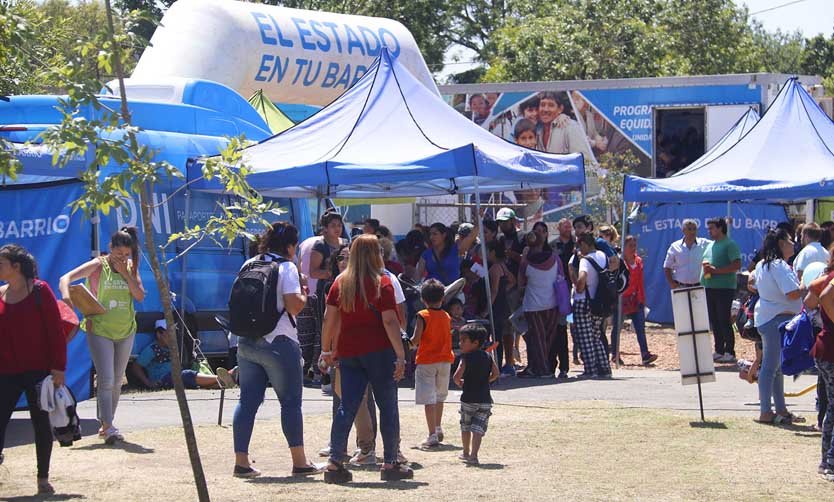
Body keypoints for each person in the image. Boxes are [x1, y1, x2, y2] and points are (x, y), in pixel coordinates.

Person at [230, 221, 321, 478]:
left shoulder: (249, 264)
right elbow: (294, 306)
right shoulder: (286, 267)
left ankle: (241, 462)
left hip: (246, 341)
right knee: (290, 402)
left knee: (247, 401)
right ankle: (300, 461)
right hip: (279, 341)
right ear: (291, 246)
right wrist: (304, 292)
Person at [320, 235, 413, 483]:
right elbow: (390, 321)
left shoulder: (340, 283)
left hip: (349, 352)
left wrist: (326, 349)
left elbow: (329, 318)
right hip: (379, 351)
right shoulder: (382, 282)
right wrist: (401, 355)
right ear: (376, 255)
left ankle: (335, 461)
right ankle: (390, 462)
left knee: (347, 406)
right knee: (387, 406)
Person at [59, 226, 145, 444]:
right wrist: (68, 299)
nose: (122, 258)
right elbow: (65, 278)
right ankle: (107, 426)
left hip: (125, 330)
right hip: (100, 329)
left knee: (117, 381)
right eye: (119, 254)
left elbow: (140, 296)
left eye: (127, 254)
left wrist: (127, 273)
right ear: (110, 248)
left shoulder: (131, 268)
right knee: (105, 379)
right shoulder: (99, 265)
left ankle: (107, 423)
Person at [0, 244, 66, 494]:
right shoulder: (0, 293)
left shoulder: (40, 290)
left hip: (38, 371)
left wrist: (58, 368)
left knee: (40, 423)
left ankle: (42, 478)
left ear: (16, 267)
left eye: (1, 263)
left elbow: (56, 332)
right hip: (6, 371)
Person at [748, 229, 805, 425]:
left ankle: (779, 409)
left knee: (775, 368)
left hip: (771, 318)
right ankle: (766, 411)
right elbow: (792, 293)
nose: (793, 244)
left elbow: (752, 281)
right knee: (771, 368)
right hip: (775, 320)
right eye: (790, 240)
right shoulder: (778, 265)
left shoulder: (766, 264)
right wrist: (809, 285)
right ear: (781, 243)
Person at [409, 279, 454, 448]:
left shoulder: (422, 315)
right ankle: (437, 427)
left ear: (423, 299)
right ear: (442, 298)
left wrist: (404, 341)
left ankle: (432, 435)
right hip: (444, 360)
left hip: (427, 361)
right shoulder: (446, 316)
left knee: (429, 399)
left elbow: (415, 340)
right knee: (440, 397)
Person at [131, 320, 234, 390]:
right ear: (159, 334)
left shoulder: (173, 347)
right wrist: (148, 383)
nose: (173, 336)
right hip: (162, 380)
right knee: (186, 375)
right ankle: (225, 377)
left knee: (187, 377)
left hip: (175, 376)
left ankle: (223, 381)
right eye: (169, 333)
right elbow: (136, 366)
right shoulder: (152, 349)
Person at [518, 225, 564, 378]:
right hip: (553, 305)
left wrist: (523, 258)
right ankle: (537, 368)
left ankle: (542, 369)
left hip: (533, 306)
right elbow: (561, 278)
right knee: (546, 339)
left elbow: (521, 283)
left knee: (537, 339)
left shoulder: (527, 263)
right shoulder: (556, 258)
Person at [453, 323, 499, 466]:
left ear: (475, 343)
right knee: (478, 429)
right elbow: (496, 373)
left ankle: (466, 452)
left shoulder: (465, 358)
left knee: (465, 426)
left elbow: (456, 376)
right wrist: (486, 380)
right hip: (485, 399)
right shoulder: (488, 356)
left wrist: (461, 383)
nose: (460, 344)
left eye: (463, 341)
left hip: (468, 399)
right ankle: (474, 455)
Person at [570, 233, 613, 379]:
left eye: (579, 245)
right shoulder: (602, 256)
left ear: (584, 244)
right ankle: (604, 368)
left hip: (584, 301)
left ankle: (590, 370)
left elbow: (582, 279)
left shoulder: (585, 261)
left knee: (585, 338)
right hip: (598, 301)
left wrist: (576, 285)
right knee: (596, 336)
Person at [611, 236, 658, 366]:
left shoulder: (638, 261)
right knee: (617, 328)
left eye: (634, 245)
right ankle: (615, 354)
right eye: (630, 245)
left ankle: (645, 354)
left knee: (640, 328)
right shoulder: (619, 262)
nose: (633, 248)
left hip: (635, 298)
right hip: (621, 299)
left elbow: (640, 282)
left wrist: (642, 298)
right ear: (624, 246)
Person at [701, 218, 742, 363]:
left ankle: (729, 351)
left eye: (712, 228)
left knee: (724, 319)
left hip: (724, 288)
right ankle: (719, 349)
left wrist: (717, 271)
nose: (709, 231)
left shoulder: (730, 244)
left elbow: (737, 264)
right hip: (709, 286)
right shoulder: (710, 245)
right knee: (714, 319)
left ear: (720, 228)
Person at [812, 260, 834, 480]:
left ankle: (826, 460)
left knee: (831, 408)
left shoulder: (826, 276)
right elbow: (826, 296)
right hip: (830, 350)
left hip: (823, 348)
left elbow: (811, 296)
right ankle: (830, 462)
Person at [486, 240, 516, 376]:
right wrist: (506, 290)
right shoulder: (503, 266)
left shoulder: (494, 268)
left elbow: (494, 290)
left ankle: (495, 366)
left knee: (496, 337)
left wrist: (487, 309)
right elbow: (512, 280)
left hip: (497, 307)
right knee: (501, 336)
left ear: (492, 252)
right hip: (504, 305)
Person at [417, 221, 479, 286]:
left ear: (444, 235)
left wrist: (479, 219)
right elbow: (418, 277)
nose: (431, 237)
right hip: (432, 292)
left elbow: (471, 237)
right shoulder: (426, 254)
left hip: (452, 291)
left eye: (435, 234)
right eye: (430, 234)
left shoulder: (456, 249)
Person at [536, 91, 593, 160]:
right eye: (542, 105)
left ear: (560, 109)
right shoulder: (537, 128)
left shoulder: (570, 127)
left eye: (551, 105)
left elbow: (584, 159)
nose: (545, 109)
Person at [663, 219, 711, 290]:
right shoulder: (674, 246)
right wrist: (672, 283)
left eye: (694, 229)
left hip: (699, 287)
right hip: (680, 287)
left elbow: (718, 244)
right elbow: (667, 266)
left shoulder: (705, 244)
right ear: (683, 230)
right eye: (689, 229)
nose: (692, 232)